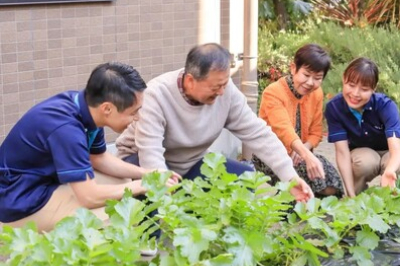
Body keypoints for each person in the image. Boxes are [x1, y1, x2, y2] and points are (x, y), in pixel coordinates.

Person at [116, 43, 314, 202]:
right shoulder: (157, 94)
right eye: (215, 86)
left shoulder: (226, 93)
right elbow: (151, 153)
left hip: (190, 163)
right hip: (139, 162)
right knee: (152, 185)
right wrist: (165, 191)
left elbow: (259, 134)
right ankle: (148, 243)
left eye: (225, 84)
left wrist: (290, 177)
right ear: (190, 80)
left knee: (244, 178)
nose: (221, 92)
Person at [0, 62, 179, 232]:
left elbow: (98, 158)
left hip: (42, 184)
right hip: (18, 201)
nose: (138, 118)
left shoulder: (85, 107)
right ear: (107, 108)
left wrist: (148, 173)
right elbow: (89, 196)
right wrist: (142, 185)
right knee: (112, 216)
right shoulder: (66, 129)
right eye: (133, 112)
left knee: (121, 182)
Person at [252, 44, 344, 198]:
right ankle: (288, 199)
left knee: (332, 187)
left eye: (317, 78)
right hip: (271, 156)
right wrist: (306, 155)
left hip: (301, 155)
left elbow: (316, 133)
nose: (310, 82)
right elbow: (283, 129)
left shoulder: (316, 94)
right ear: (293, 68)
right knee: (307, 183)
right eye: (306, 75)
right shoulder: (273, 92)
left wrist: (304, 151)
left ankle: (294, 197)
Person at [325, 57, 400, 197]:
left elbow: (396, 150)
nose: (355, 94)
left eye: (364, 89)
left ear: (374, 88)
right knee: (364, 162)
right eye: (351, 85)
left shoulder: (385, 105)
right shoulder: (334, 108)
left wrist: (390, 170)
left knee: (396, 164)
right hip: (362, 153)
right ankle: (357, 197)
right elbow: (342, 152)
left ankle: (393, 200)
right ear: (343, 79)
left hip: (389, 150)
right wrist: (350, 194)